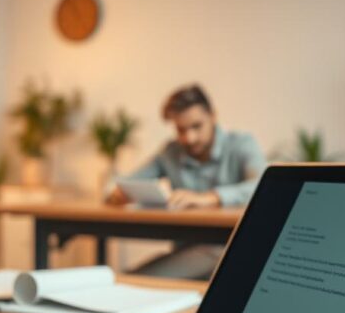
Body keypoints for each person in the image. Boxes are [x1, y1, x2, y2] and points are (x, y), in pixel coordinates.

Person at [107, 84, 267, 279]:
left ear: (213, 116)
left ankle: (126, 284)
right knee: (138, 277)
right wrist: (118, 193)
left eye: (196, 126)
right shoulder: (170, 152)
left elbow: (263, 187)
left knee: (137, 279)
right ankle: (126, 283)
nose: (189, 138)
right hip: (186, 254)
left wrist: (209, 198)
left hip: (230, 249)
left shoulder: (242, 144)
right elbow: (120, 183)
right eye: (181, 130)